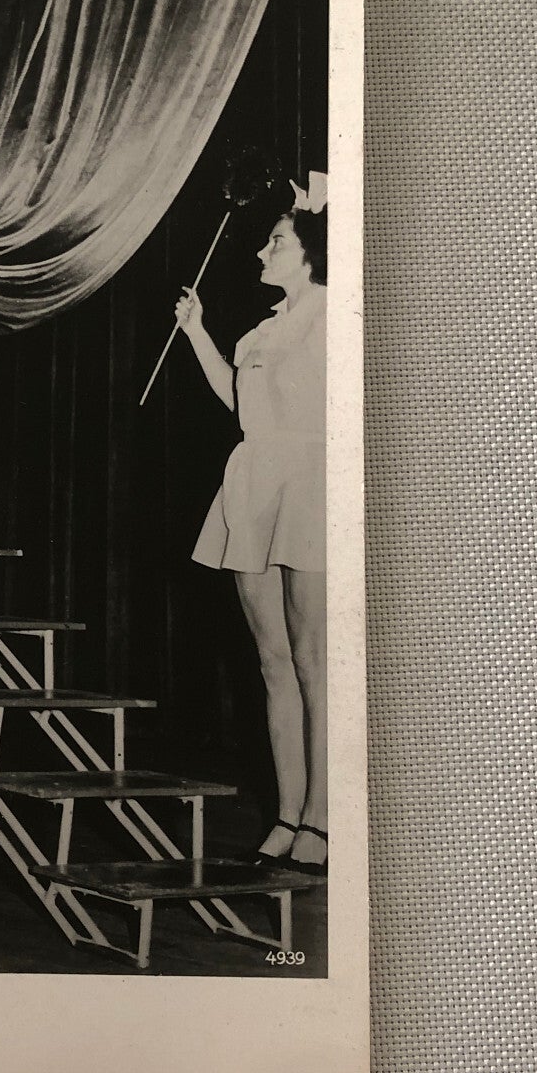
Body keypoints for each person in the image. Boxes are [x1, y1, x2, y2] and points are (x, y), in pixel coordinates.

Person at [174, 187, 329, 873]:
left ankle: (321, 818)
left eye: (277, 241)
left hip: (310, 481)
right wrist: (196, 332)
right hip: (253, 482)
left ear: (311, 253)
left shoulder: (334, 315)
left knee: (313, 659)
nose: (262, 251)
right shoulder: (259, 331)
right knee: (273, 662)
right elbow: (238, 404)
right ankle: (288, 816)